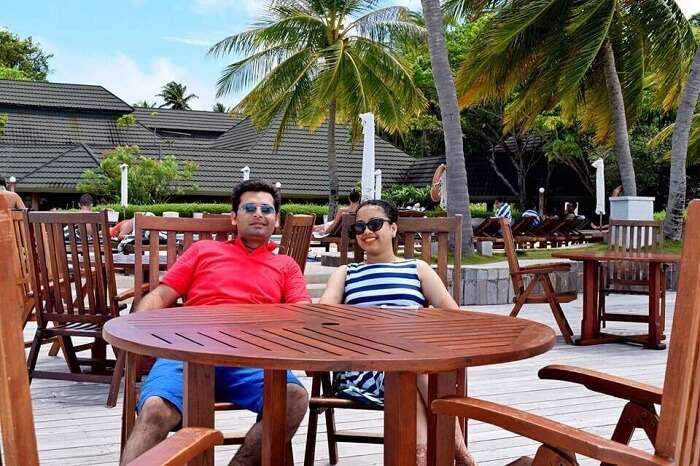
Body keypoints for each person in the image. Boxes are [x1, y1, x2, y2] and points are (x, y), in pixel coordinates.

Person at [120, 180, 311, 466]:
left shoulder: (285, 266)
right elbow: (161, 295)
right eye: (249, 207)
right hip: (189, 352)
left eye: (266, 209)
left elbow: (302, 313)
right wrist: (139, 327)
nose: (258, 213)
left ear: (276, 220)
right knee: (156, 410)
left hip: (253, 359)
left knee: (293, 398)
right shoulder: (204, 251)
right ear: (234, 217)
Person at [319, 199, 476, 466]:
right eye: (360, 227)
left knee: (410, 366)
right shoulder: (346, 272)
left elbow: (452, 314)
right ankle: (458, 449)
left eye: (375, 224)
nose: (366, 231)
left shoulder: (417, 269)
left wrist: (413, 328)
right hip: (365, 367)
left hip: (412, 362)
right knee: (414, 366)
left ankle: (423, 457)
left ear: (393, 229)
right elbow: (324, 315)